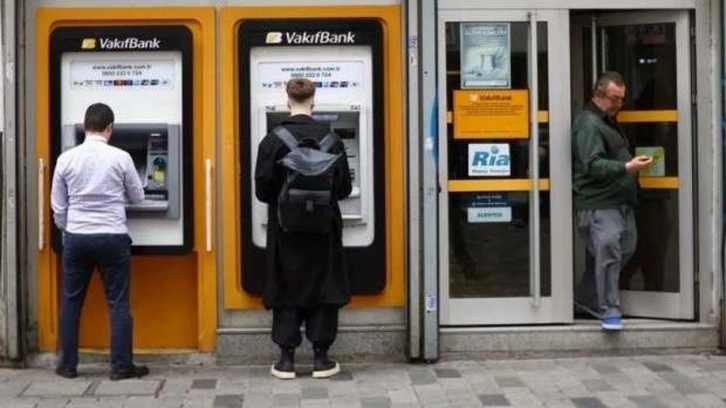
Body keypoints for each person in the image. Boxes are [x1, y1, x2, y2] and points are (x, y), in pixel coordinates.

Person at [255, 78, 352, 380]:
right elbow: (344, 189)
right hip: (324, 229)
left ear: (288, 101)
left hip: (286, 229)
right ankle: (321, 358)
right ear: (313, 101)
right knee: (324, 285)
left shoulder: (272, 141)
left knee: (285, 284)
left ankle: (286, 360)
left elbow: (262, 191)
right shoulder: (332, 140)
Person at [51, 102, 149, 380]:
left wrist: (68, 228)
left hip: (77, 238)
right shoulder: (121, 158)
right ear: (110, 128)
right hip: (112, 237)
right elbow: (138, 197)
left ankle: (67, 366)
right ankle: (121, 367)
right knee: (118, 303)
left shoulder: (66, 159)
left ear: (85, 127)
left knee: (71, 303)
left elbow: (58, 205)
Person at [572, 71, 653, 331]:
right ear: (598, 95)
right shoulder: (588, 124)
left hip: (619, 202)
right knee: (609, 253)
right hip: (600, 203)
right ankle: (609, 310)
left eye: (622, 99)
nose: (620, 104)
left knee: (623, 248)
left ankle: (585, 297)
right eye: (615, 98)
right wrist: (627, 167)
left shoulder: (606, 121)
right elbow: (593, 164)